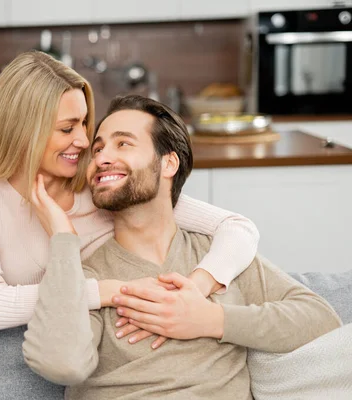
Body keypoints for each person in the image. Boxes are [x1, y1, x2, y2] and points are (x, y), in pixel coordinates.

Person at [22, 94, 342, 399]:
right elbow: (61, 364)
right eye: (98, 148)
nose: (101, 158)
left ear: (168, 164)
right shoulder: (88, 277)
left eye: (123, 143)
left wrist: (211, 320)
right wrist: (63, 240)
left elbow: (320, 319)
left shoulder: (219, 259)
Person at [0, 51, 260, 345]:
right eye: (67, 128)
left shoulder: (100, 182)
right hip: (43, 352)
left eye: (84, 123)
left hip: (108, 347)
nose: (84, 141)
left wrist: (196, 287)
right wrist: (110, 291)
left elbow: (237, 228)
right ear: (23, 130)